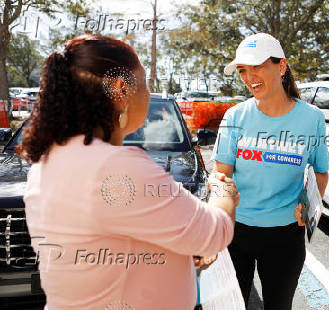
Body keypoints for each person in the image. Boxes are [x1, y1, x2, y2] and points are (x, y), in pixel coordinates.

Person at [18, 34, 239, 310]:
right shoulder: (116, 168)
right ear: (121, 90)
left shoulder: (48, 161)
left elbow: (115, 240)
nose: (147, 94)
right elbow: (214, 233)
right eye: (144, 84)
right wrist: (223, 193)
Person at [211, 33, 329, 310]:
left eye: (257, 66)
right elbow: (221, 177)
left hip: (285, 238)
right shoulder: (235, 116)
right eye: (242, 70)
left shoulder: (312, 119)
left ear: (282, 66)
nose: (249, 76)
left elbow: (321, 173)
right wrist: (212, 223)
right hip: (235, 233)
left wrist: (308, 203)